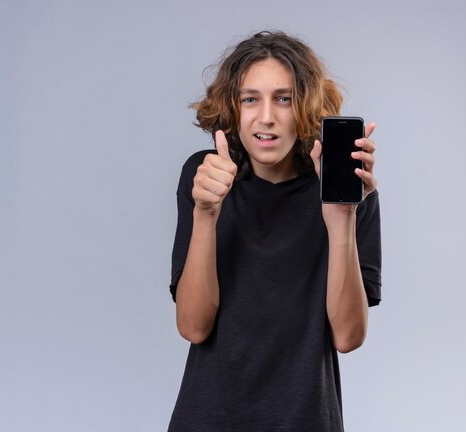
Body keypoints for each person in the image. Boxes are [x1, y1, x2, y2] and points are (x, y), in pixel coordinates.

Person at [168, 30, 382, 431]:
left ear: (306, 106)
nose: (266, 116)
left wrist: (342, 220)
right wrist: (205, 214)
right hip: (208, 417)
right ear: (232, 107)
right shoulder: (206, 176)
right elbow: (193, 326)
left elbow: (348, 337)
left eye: (283, 98)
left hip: (306, 419)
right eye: (251, 98)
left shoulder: (348, 190)